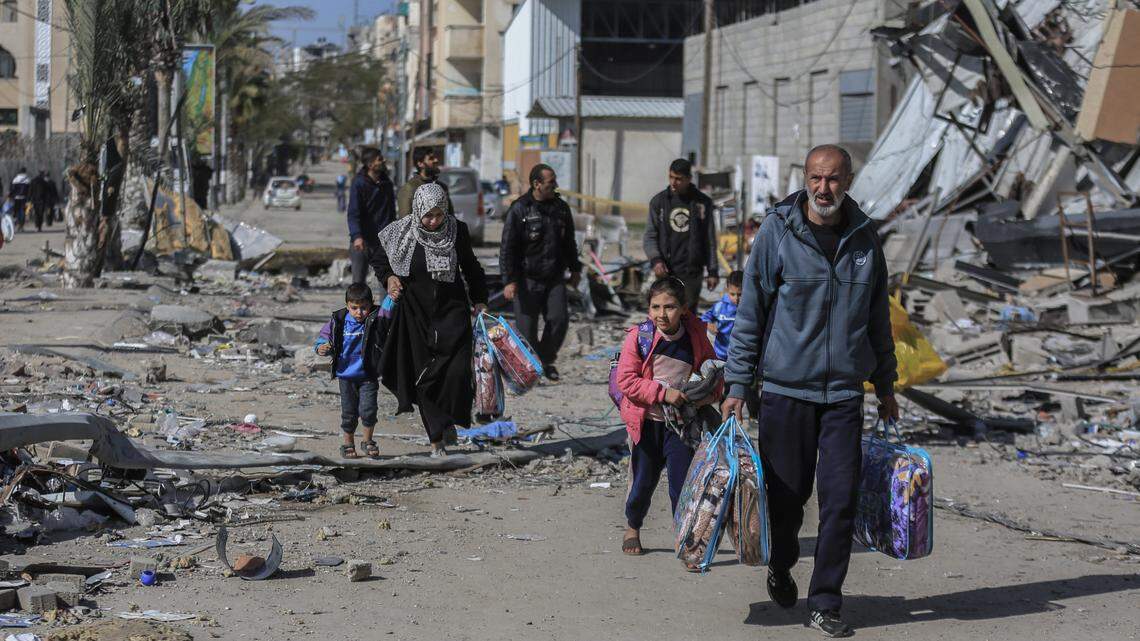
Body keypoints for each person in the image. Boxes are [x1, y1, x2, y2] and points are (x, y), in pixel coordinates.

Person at [722, 144, 898, 639]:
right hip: (785, 390)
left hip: (844, 392)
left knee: (840, 498)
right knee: (787, 497)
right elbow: (751, 313)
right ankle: (781, 563)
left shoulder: (865, 239)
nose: (825, 189)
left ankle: (826, 601)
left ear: (849, 180)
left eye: (835, 179)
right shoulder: (777, 233)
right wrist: (738, 382)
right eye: (817, 179)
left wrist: (886, 381)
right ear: (805, 178)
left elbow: (878, 318)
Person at [372, 182, 488, 457]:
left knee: (457, 373)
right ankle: (436, 437)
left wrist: (480, 299)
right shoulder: (401, 232)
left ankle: (448, 421)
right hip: (415, 315)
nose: (434, 221)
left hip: (453, 313)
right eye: (428, 216)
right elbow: (379, 259)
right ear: (418, 211)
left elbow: (470, 266)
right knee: (425, 377)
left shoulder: (456, 230)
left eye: (438, 215)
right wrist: (389, 278)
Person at [614, 276, 721, 563]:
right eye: (655, 307)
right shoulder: (639, 337)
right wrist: (664, 394)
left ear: (684, 308)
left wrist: (702, 397)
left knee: (682, 485)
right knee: (642, 483)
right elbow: (626, 380)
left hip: (682, 427)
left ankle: (685, 539)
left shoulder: (696, 335)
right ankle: (632, 526)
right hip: (647, 424)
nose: (662, 314)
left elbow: (712, 373)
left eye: (670, 307)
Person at [499, 163, 581, 381]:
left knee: (559, 320)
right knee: (527, 331)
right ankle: (532, 367)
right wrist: (509, 280)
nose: (555, 185)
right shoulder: (520, 208)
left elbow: (569, 242)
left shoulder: (561, 208)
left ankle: (545, 360)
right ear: (537, 184)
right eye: (550, 182)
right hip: (526, 280)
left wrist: (575, 269)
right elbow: (508, 247)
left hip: (554, 278)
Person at [315, 283, 384, 460]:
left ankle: (368, 442)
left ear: (371, 304)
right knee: (349, 413)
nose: (359, 312)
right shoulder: (338, 320)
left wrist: (392, 291)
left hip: (368, 374)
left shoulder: (376, 317)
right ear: (347, 305)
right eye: (354, 308)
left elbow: (390, 305)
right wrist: (321, 348)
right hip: (346, 376)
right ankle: (348, 444)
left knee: (369, 410)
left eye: (363, 308)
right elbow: (323, 339)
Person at [645, 158, 718, 311]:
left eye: (679, 179)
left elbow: (709, 239)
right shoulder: (659, 203)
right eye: (671, 177)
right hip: (666, 270)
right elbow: (650, 236)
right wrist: (656, 260)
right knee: (665, 314)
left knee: (687, 315)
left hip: (692, 272)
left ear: (689, 179)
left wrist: (713, 271)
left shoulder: (702, 203)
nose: (674, 182)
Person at [347, 147, 396, 288]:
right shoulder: (359, 183)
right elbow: (353, 213)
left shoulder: (387, 183)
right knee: (358, 285)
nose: (384, 161)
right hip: (363, 241)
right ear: (370, 165)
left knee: (387, 281)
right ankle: (357, 310)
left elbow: (391, 212)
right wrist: (357, 236)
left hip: (384, 241)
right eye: (380, 159)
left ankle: (385, 311)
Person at [700, 269, 743, 361]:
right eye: (732, 294)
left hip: (739, 354)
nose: (736, 298)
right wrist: (709, 325)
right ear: (727, 289)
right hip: (720, 353)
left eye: (740, 294)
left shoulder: (748, 309)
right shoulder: (720, 306)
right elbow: (704, 317)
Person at [397, 148, 452, 219]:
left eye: (435, 157)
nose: (436, 160)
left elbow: (450, 216)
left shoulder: (442, 187)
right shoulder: (409, 188)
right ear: (420, 163)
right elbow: (405, 221)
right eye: (431, 158)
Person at [9, 168, 30, 233]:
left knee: (17, 211)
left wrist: (10, 196)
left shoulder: (15, 179)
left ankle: (18, 224)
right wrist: (29, 198)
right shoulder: (27, 180)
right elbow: (29, 190)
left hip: (16, 198)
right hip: (24, 198)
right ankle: (21, 226)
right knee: (23, 212)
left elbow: (12, 189)